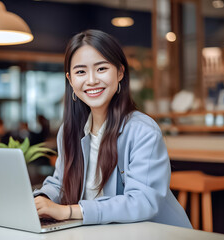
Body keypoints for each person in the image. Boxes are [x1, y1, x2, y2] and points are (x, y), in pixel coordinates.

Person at [33, 30, 192, 228]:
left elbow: (142, 202)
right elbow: (60, 183)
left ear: (120, 72)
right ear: (70, 80)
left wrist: (70, 211)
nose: (91, 80)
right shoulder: (68, 131)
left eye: (101, 69)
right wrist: (40, 200)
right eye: (81, 72)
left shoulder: (143, 131)